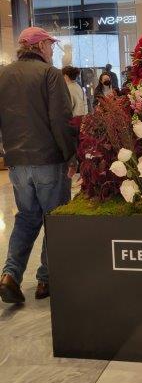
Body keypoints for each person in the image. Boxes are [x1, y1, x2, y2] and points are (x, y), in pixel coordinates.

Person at [0, 27, 76, 304]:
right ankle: (47, 279)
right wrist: (72, 156)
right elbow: (60, 119)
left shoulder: (3, 75)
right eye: (51, 45)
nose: (52, 50)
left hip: (17, 163)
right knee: (53, 219)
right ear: (41, 45)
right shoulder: (50, 75)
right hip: (48, 160)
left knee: (27, 217)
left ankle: (10, 276)